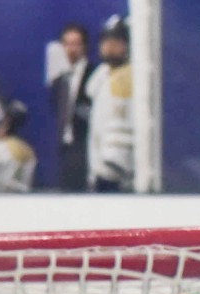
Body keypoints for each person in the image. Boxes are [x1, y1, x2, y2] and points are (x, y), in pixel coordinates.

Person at [84, 15, 134, 192]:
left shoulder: (127, 77)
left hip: (115, 176)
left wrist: (112, 167)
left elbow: (122, 128)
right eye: (105, 40)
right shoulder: (104, 77)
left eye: (116, 40)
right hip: (98, 170)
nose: (109, 45)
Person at [50, 23, 95, 192]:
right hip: (65, 147)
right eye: (67, 44)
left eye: (76, 44)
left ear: (84, 46)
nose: (71, 49)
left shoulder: (94, 74)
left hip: (86, 146)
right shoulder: (59, 81)